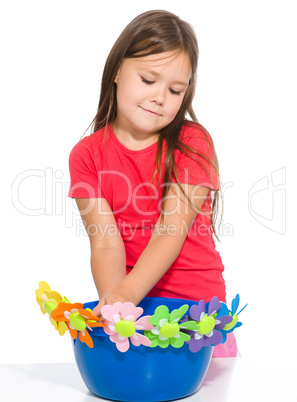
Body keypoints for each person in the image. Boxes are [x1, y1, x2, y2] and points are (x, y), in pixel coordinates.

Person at [68, 10, 237, 357]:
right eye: (148, 80)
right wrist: (118, 309)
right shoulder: (86, 156)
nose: (161, 97)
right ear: (117, 70)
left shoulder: (192, 143)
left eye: (176, 90)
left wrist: (125, 297)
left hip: (198, 317)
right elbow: (105, 244)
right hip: (138, 313)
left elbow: (169, 231)